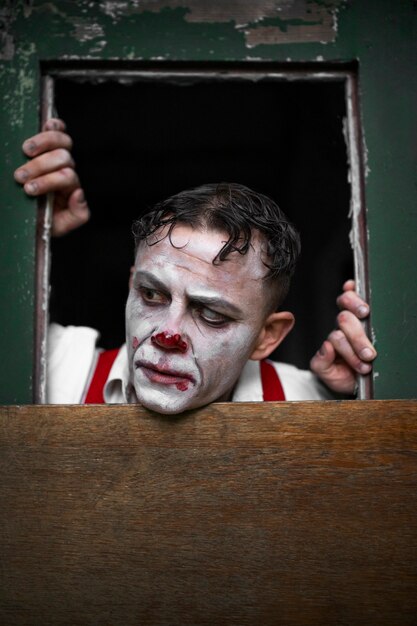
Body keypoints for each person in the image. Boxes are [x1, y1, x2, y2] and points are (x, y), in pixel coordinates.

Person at [14, 118, 377, 413]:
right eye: (152, 294)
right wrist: (16, 225)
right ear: (130, 286)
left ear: (267, 336)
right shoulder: (52, 369)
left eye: (212, 314)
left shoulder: (312, 406)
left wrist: (360, 394)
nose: (166, 335)